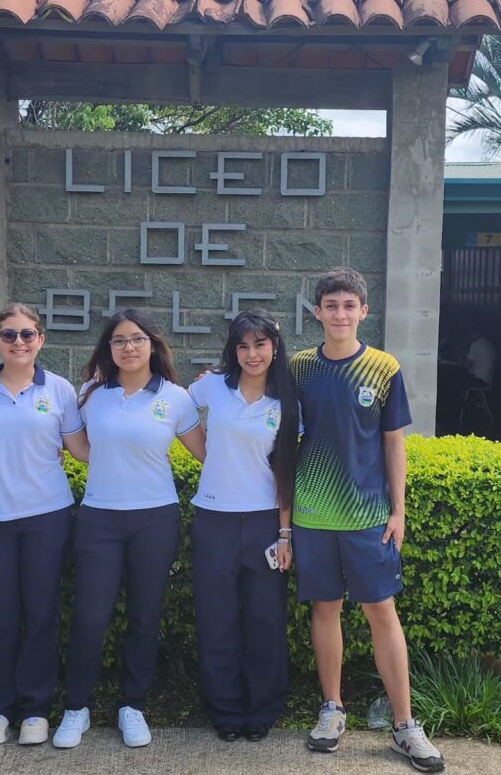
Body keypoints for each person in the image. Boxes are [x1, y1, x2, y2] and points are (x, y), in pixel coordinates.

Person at [290, 268, 445, 772]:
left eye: (348, 305)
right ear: (317, 312)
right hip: (313, 513)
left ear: (364, 312)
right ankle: (332, 710)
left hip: (367, 516)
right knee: (326, 610)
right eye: (330, 305)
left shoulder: (383, 367)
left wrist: (399, 510)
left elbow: (393, 441)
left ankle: (404, 725)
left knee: (382, 612)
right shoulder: (299, 368)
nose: (339, 314)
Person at [53, 309, 206, 750]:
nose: (129, 347)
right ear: (109, 349)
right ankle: (76, 707)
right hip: (99, 517)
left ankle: (132, 705)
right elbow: (80, 450)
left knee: (144, 614)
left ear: (152, 345)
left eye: (137, 339)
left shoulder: (176, 398)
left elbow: (208, 454)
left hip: (155, 519)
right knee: (90, 615)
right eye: (119, 341)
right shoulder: (90, 394)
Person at [0, 303, 90, 747]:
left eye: (27, 334)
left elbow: (82, 450)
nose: (19, 342)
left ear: (42, 339)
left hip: (47, 516)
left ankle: (36, 709)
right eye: (9, 334)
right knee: (0, 617)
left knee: (40, 614)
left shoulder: (59, 390)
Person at [187, 309, 299, 743]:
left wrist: (285, 533)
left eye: (260, 344)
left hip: (265, 523)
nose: (252, 354)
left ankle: (263, 709)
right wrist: (211, 459)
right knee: (216, 619)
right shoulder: (211, 386)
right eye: (243, 346)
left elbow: (286, 470)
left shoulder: (288, 399)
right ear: (233, 351)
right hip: (213, 518)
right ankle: (225, 710)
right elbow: (176, 414)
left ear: (275, 347)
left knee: (264, 620)